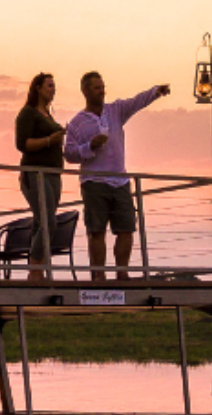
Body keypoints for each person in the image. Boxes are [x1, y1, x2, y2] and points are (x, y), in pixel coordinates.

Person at [63, 72, 169, 280]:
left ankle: (122, 273)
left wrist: (156, 91)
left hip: (120, 180)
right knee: (96, 230)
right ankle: (99, 276)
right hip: (93, 181)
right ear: (85, 91)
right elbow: (69, 154)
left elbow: (137, 102)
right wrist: (89, 146)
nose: (102, 91)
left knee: (126, 228)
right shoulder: (77, 123)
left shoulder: (115, 111)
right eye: (96, 88)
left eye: (103, 87)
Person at [15, 73, 67, 282]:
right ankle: (35, 270)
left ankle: (38, 270)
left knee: (41, 221)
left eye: (54, 86)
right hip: (36, 173)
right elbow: (22, 144)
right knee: (48, 221)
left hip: (53, 174)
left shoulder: (47, 115)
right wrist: (49, 140)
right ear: (37, 88)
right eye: (49, 86)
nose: (52, 90)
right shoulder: (28, 114)